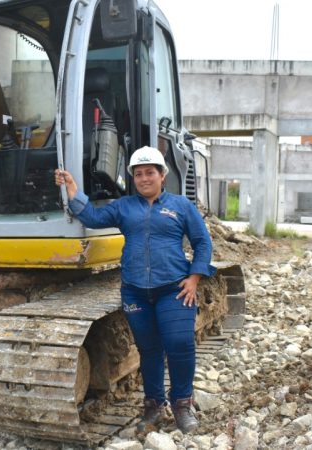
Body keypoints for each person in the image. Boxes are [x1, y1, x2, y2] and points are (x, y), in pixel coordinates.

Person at [54, 146, 216, 433]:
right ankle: (153, 405)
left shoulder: (181, 206)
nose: (144, 178)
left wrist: (194, 278)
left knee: (179, 343)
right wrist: (73, 190)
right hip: (136, 292)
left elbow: (203, 242)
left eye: (149, 172)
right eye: (138, 174)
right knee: (149, 349)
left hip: (174, 290)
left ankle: (182, 404)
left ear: (162, 175)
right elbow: (92, 217)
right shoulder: (124, 206)